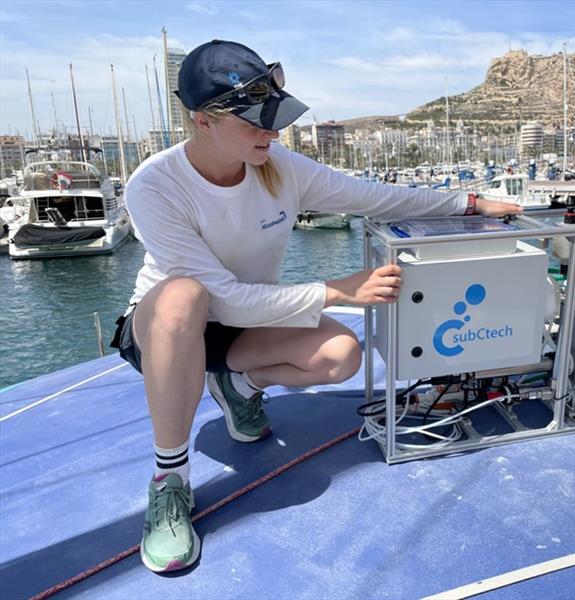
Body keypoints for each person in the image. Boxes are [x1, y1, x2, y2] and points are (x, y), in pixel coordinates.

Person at [110, 39, 521, 573]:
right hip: (166, 331)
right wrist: (340, 289)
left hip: (243, 327)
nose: (272, 132)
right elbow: (222, 295)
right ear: (201, 121)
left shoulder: (279, 167)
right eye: (255, 121)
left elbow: (372, 195)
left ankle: (240, 387)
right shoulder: (155, 185)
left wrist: (466, 202)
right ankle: (170, 481)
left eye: (274, 117)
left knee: (340, 355)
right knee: (184, 297)